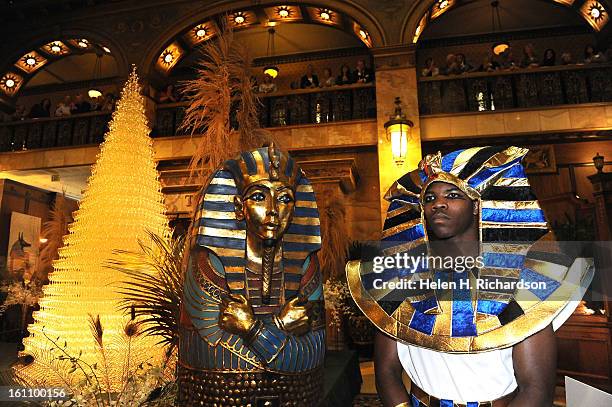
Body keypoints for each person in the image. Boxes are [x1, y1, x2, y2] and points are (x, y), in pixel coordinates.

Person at [346, 146, 593, 407]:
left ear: (477, 206)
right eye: (429, 198)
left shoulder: (523, 278)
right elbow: (386, 372)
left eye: (452, 195)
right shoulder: (401, 277)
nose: (438, 203)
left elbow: (536, 390)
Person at [177, 144, 326, 406]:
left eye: (284, 198)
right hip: (217, 398)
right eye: (259, 197)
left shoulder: (305, 266)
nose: (272, 210)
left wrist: (250, 328)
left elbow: (313, 353)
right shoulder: (209, 263)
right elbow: (207, 355)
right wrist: (280, 328)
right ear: (238, 206)